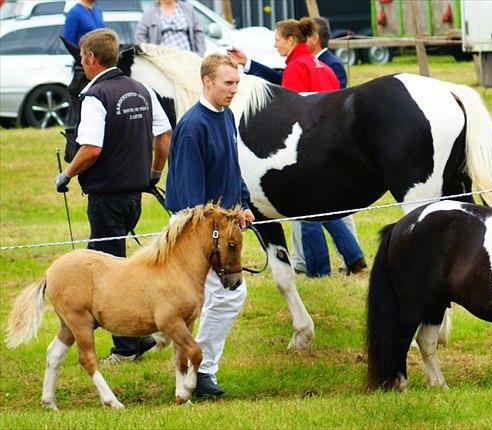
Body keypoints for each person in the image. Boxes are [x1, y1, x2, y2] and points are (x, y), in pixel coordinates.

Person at [54, 28, 172, 365]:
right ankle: (134, 336)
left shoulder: (95, 96)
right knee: (106, 263)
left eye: (81, 58)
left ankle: (126, 346)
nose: (81, 62)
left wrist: (66, 174)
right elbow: (164, 135)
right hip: (134, 196)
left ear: (91, 58)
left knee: (108, 275)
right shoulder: (141, 89)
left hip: (106, 196)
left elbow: (90, 149)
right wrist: (154, 173)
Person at [229, 17, 366, 277]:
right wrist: (248, 64)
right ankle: (352, 254)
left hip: (306, 150)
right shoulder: (321, 66)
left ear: (291, 40)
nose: (274, 44)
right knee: (324, 207)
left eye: (278, 39)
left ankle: (318, 270)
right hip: (331, 146)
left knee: (305, 213)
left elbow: (287, 115)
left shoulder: (296, 68)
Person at [164, 53, 256, 396]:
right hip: (199, 231)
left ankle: (198, 367)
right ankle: (198, 369)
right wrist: (216, 233)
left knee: (228, 297)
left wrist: (242, 204)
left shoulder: (227, 116)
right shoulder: (192, 127)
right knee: (229, 295)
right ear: (207, 82)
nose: (234, 89)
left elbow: (231, 168)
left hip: (223, 224)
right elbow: (192, 203)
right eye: (227, 83)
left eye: (236, 83)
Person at [136, 0, 205, 57]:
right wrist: (149, 56)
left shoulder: (187, 9)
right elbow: (141, 37)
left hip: (187, 58)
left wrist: (199, 54)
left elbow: (198, 32)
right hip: (162, 60)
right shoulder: (149, 13)